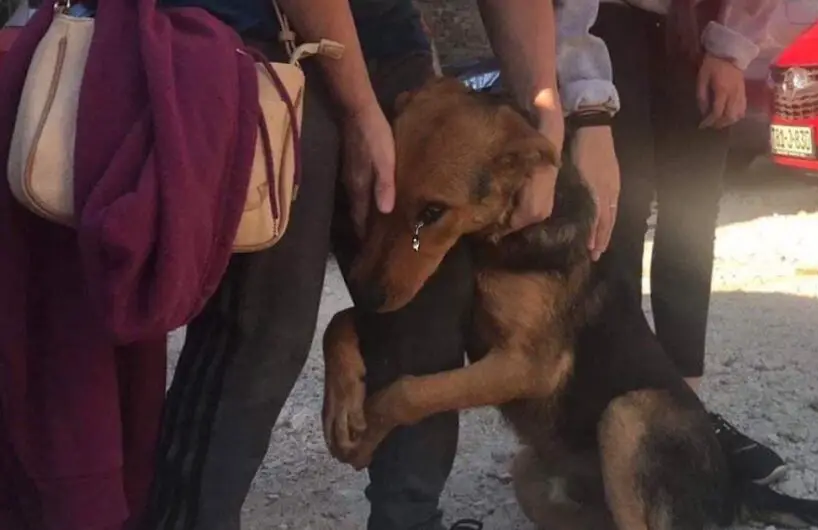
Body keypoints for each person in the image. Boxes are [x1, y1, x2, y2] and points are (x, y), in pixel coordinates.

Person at [141, 1, 571, 529]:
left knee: (426, 318)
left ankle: (408, 522)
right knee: (266, 327)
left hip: (385, 39)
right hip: (260, 36)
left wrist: (546, 118)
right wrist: (361, 110)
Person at [556, 0, 790, 485]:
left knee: (690, 221)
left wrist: (730, 50)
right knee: (614, 222)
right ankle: (607, 419)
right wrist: (586, 97)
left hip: (699, 25)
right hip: (601, 22)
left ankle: (685, 418)